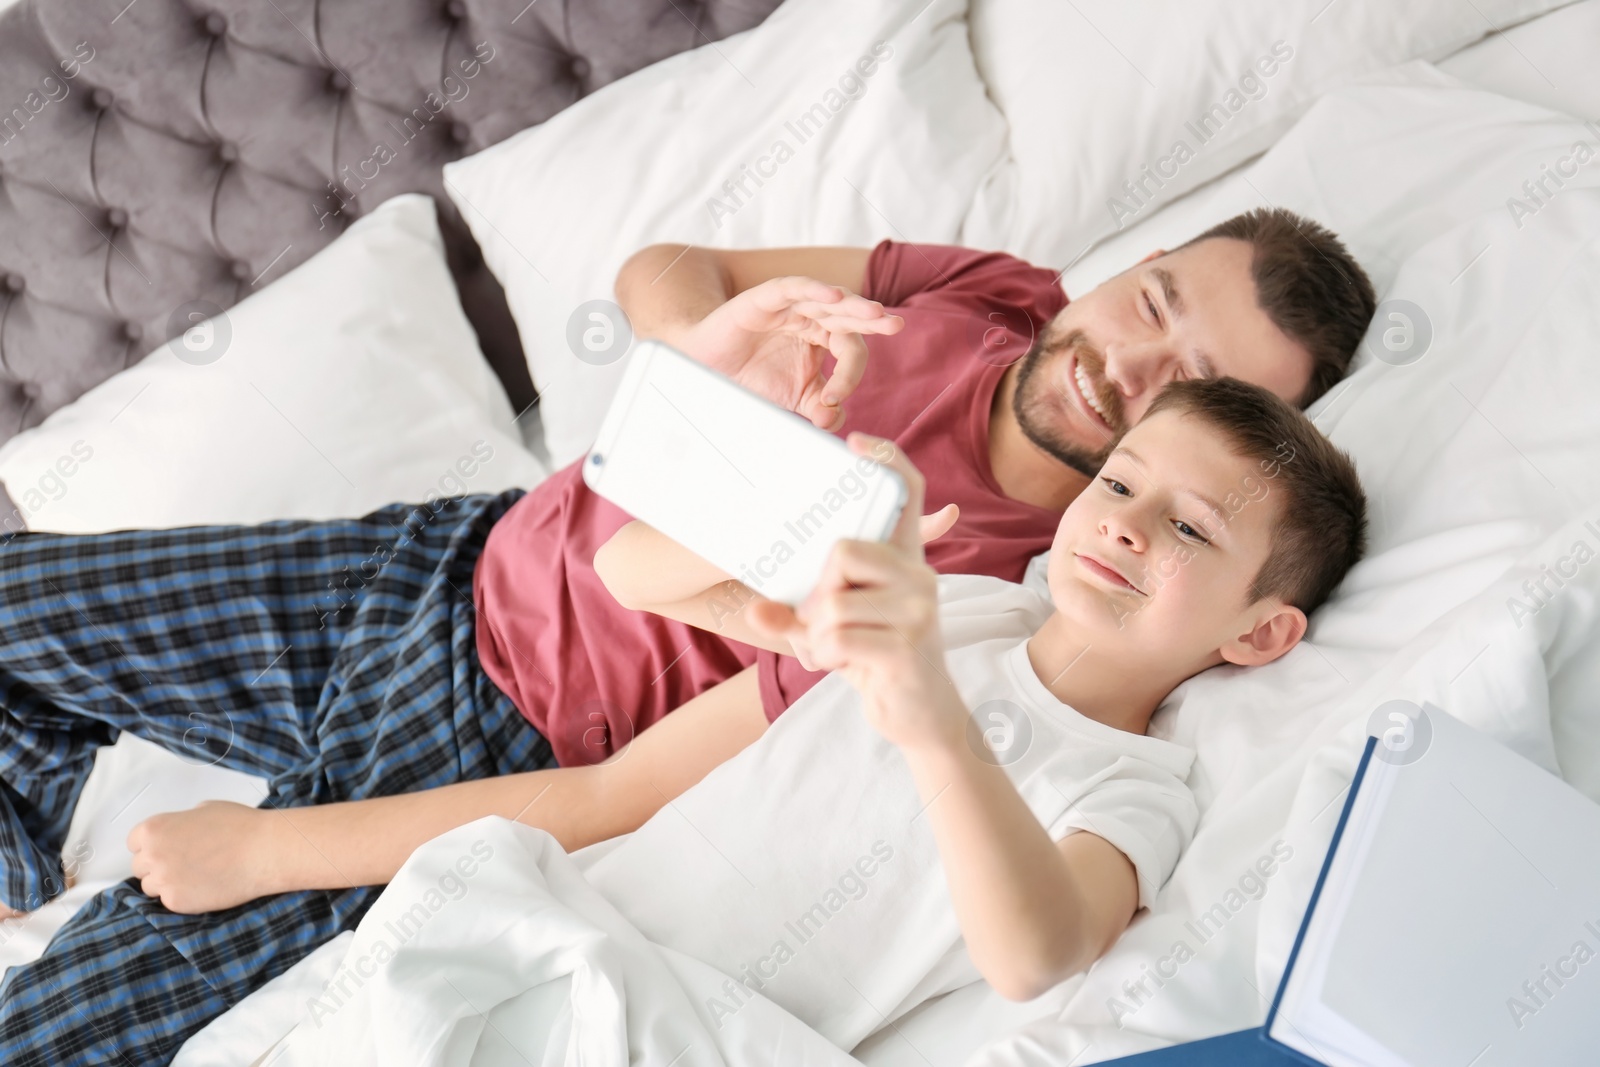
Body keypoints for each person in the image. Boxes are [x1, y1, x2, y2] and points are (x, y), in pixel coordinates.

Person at [0, 212, 1374, 1065]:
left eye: (1186, 388)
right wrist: (706, 356)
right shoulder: (994, 292)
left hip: (496, 725)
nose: (1128, 366)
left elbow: (640, 774)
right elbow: (673, 268)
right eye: (1150, 302)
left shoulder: (1011, 585)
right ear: (1120, 272)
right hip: (468, 551)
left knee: (75, 1014)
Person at [259, 375, 1368, 1057]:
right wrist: (809, 514)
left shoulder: (1137, 783)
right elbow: (635, 573)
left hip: (680, 1022)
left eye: (1191, 531)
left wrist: (925, 709)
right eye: (1121, 485)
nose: (1127, 528)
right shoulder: (967, 604)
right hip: (566, 914)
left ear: (1259, 634)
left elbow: (1035, 953)